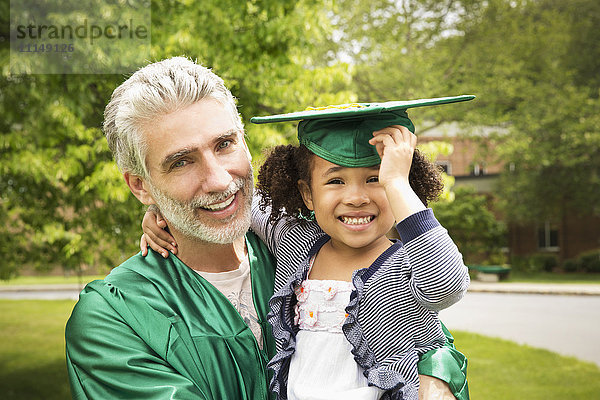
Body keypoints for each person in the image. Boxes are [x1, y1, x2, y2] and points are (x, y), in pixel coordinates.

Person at [142, 96, 474, 399]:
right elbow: (230, 199)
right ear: (307, 194)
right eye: (335, 180)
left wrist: (397, 181)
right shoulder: (297, 242)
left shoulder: (406, 268)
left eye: (375, 179)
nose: (356, 197)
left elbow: (448, 285)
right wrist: (163, 209)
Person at [65, 57, 277, 399]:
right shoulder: (116, 317)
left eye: (224, 144)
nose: (219, 180)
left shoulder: (304, 253)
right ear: (140, 186)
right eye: (181, 162)